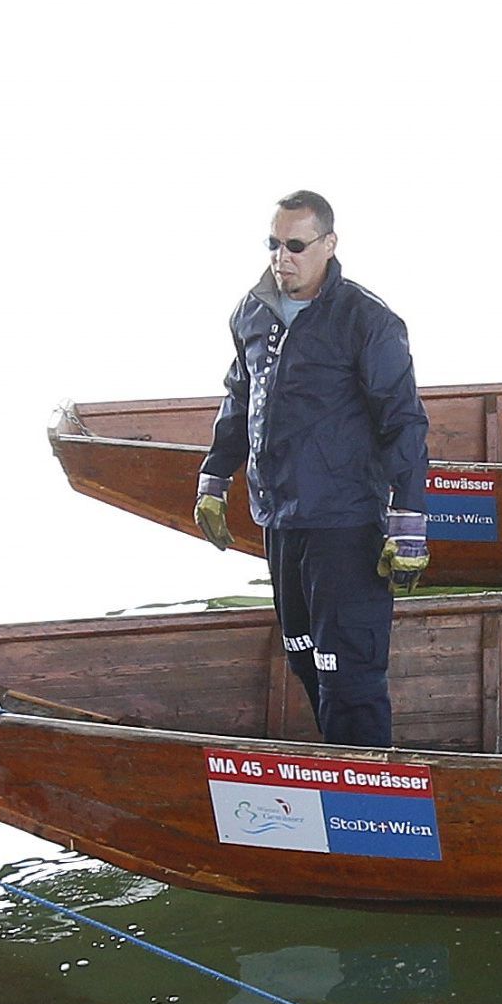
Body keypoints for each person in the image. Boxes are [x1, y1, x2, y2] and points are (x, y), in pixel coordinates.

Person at [193, 191, 430, 748]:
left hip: (344, 523)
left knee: (348, 669)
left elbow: (404, 422)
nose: (283, 257)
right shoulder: (251, 312)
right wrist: (214, 479)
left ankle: (369, 793)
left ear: (328, 244)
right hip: (281, 520)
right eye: (274, 244)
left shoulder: (367, 321)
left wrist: (409, 521)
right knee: (304, 654)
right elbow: (239, 398)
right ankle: (340, 770)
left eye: (296, 245)